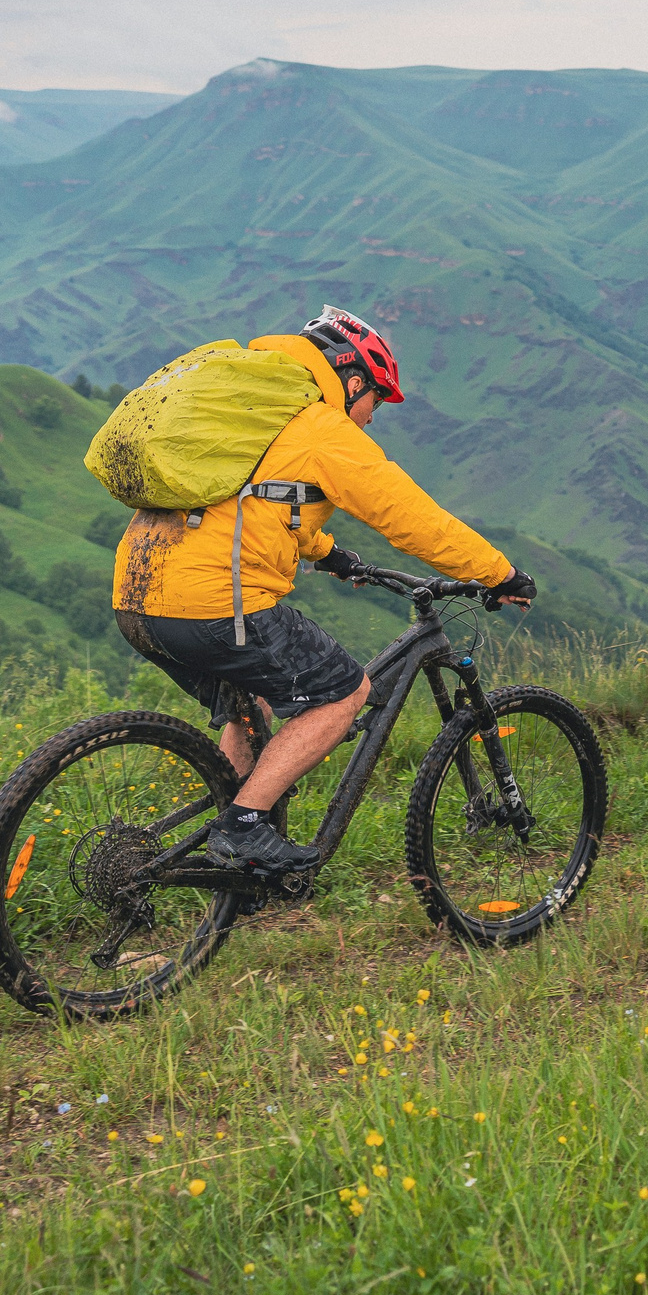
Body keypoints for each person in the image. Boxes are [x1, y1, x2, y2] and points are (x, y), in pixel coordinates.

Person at [110, 307, 536, 872]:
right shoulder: (320, 428)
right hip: (213, 603)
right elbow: (409, 517)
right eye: (376, 401)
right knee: (343, 693)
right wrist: (497, 572)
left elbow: (255, 502)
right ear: (352, 381)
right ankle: (242, 827)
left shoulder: (256, 417)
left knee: (252, 705)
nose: (372, 416)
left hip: (138, 596)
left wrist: (329, 553)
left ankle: (227, 860)